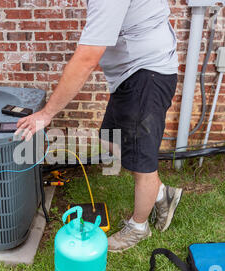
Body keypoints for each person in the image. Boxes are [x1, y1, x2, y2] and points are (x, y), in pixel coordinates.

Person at [16, 0, 183, 252]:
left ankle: (138, 227)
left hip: (147, 74)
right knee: (110, 139)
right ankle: (161, 194)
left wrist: (47, 113)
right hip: (129, 74)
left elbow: (87, 58)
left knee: (141, 161)